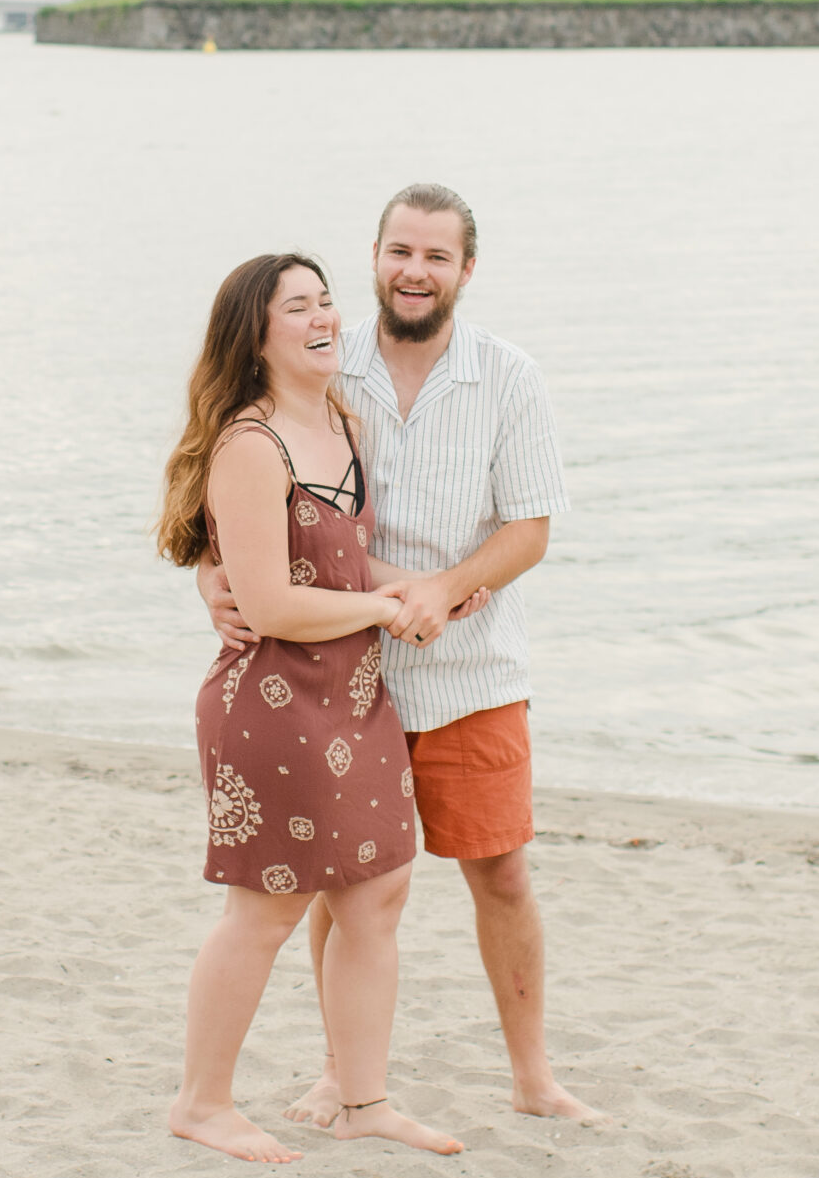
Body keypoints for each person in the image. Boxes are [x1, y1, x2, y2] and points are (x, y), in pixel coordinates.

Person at [200, 184, 602, 1127]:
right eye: (399, 252)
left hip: (471, 671)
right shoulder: (326, 369)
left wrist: (442, 587)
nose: (415, 271)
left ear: (467, 269)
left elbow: (531, 527)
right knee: (345, 887)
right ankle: (346, 1075)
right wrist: (210, 577)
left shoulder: (508, 375)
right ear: (375, 256)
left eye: (436, 256)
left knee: (500, 870)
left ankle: (533, 1078)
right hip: (338, 674)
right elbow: (234, 483)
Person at [157, 251, 472, 1164]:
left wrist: (425, 589)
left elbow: (340, 564)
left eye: (327, 300)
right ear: (256, 335)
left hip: (356, 694)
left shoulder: (341, 418)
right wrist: (384, 610)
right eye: (299, 306)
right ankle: (202, 1102)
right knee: (265, 907)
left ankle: (361, 1098)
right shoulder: (251, 447)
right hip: (272, 703)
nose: (325, 316)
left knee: (376, 895)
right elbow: (272, 604)